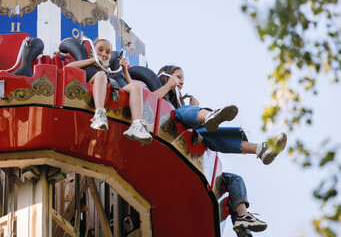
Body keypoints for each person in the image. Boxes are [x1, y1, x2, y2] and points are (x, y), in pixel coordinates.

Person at [153, 65, 287, 165]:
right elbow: (150, 100)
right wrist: (168, 86)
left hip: (184, 137)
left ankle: (259, 149)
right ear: (167, 75)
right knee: (182, 112)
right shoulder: (156, 86)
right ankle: (209, 116)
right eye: (178, 77)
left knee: (209, 133)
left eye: (183, 79)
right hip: (163, 124)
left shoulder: (180, 102)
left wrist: (196, 108)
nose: (181, 82)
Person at [65, 38, 152, 144]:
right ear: (92, 51)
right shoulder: (88, 66)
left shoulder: (111, 72)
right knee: (101, 75)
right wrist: (93, 60)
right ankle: (99, 114)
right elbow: (68, 67)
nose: (104, 54)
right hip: (90, 90)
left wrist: (124, 70)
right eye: (100, 50)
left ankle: (137, 124)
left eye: (107, 52)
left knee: (136, 87)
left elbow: (132, 87)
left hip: (111, 90)